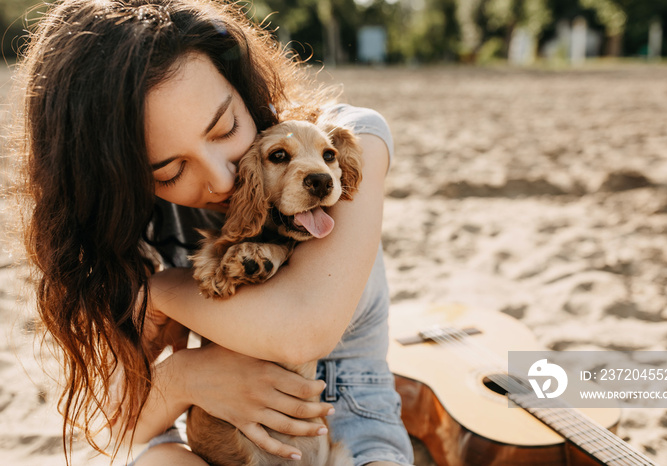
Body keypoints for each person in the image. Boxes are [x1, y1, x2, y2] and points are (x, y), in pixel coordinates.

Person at [12, 0, 413, 465]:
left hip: (349, 419)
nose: (221, 182)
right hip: (219, 434)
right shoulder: (131, 221)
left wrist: (159, 291)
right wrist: (186, 375)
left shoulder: (341, 146)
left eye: (225, 130)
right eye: (170, 170)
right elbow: (120, 424)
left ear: (242, 86)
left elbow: (303, 332)